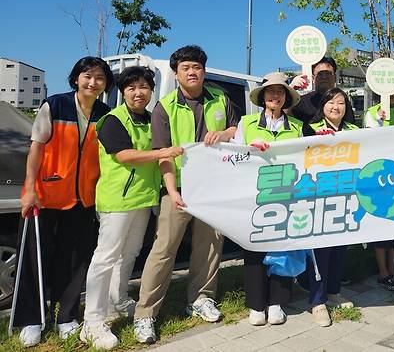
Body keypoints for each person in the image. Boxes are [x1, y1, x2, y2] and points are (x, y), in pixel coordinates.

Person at [132, 46, 238, 344]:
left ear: (204, 70)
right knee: (163, 250)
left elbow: (236, 128)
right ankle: (145, 314)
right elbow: (163, 154)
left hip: (214, 187)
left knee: (209, 246)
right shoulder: (164, 107)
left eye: (197, 67)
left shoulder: (220, 98)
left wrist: (225, 135)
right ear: (176, 73)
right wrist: (172, 191)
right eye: (186, 68)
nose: (192, 72)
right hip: (178, 188)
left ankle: (201, 298)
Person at [80, 66, 183, 349]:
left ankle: (118, 299)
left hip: (143, 198)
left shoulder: (151, 120)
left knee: (130, 254)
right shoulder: (113, 120)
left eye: (144, 87)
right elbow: (124, 155)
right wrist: (162, 152)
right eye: (131, 88)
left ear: (151, 90)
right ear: (122, 92)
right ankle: (92, 321)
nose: (138, 93)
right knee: (106, 257)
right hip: (118, 200)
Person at [15, 56, 113, 347]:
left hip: (84, 198)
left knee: (76, 259)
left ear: (106, 84)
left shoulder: (105, 113)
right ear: (76, 79)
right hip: (46, 194)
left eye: (99, 78)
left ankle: (66, 316)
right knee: (34, 258)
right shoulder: (55, 105)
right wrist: (30, 188)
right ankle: (32, 318)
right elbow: (36, 148)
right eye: (87, 76)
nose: (93, 82)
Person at [232, 72, 304, 326]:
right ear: (262, 97)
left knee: (283, 250)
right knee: (254, 248)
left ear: (286, 98)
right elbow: (234, 156)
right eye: (271, 91)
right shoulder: (247, 122)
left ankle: (277, 303)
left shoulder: (296, 127)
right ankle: (256, 305)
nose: (275, 96)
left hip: (286, 195)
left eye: (281, 92)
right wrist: (250, 149)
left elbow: (305, 157)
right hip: (254, 196)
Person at [302, 87, 359, 327]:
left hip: (347, 197)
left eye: (341, 103)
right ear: (322, 106)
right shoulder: (310, 129)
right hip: (319, 199)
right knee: (320, 252)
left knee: (339, 249)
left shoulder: (356, 131)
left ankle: (333, 292)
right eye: (331, 102)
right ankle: (317, 301)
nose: (336, 107)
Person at [363, 91, 394, 290]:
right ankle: (383, 272)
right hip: (378, 173)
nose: (393, 93)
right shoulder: (371, 112)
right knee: (380, 225)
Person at [290, 56, 356, 124]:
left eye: (328, 73)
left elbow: (350, 128)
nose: (324, 77)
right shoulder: (302, 102)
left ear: (335, 77)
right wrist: (290, 89)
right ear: (313, 78)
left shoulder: (343, 102)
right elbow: (286, 121)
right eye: (320, 74)